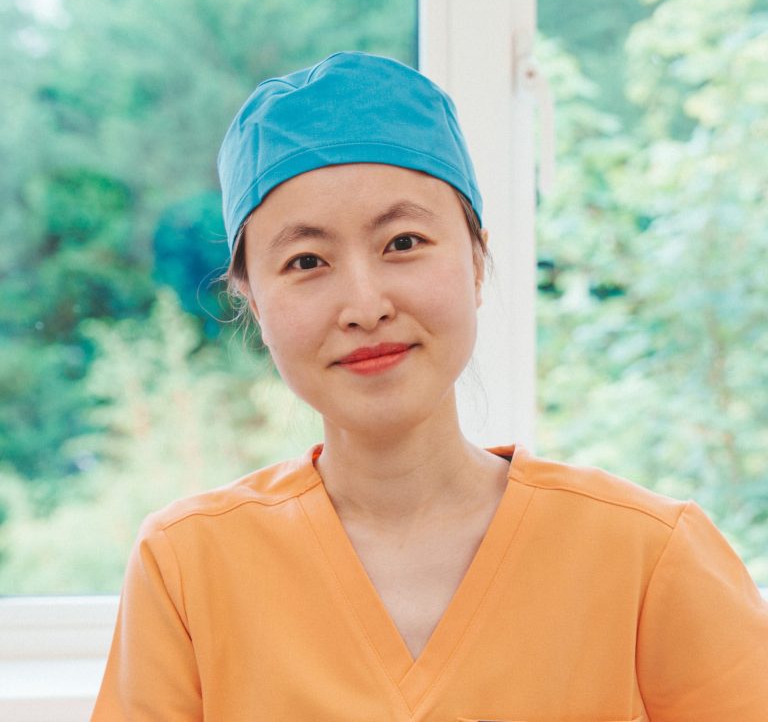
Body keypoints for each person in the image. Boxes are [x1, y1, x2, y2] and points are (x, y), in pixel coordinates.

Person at [91, 51, 768, 721]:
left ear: (477, 260)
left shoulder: (648, 558)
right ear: (254, 303)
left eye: (404, 242)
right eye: (306, 260)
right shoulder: (186, 569)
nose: (364, 303)